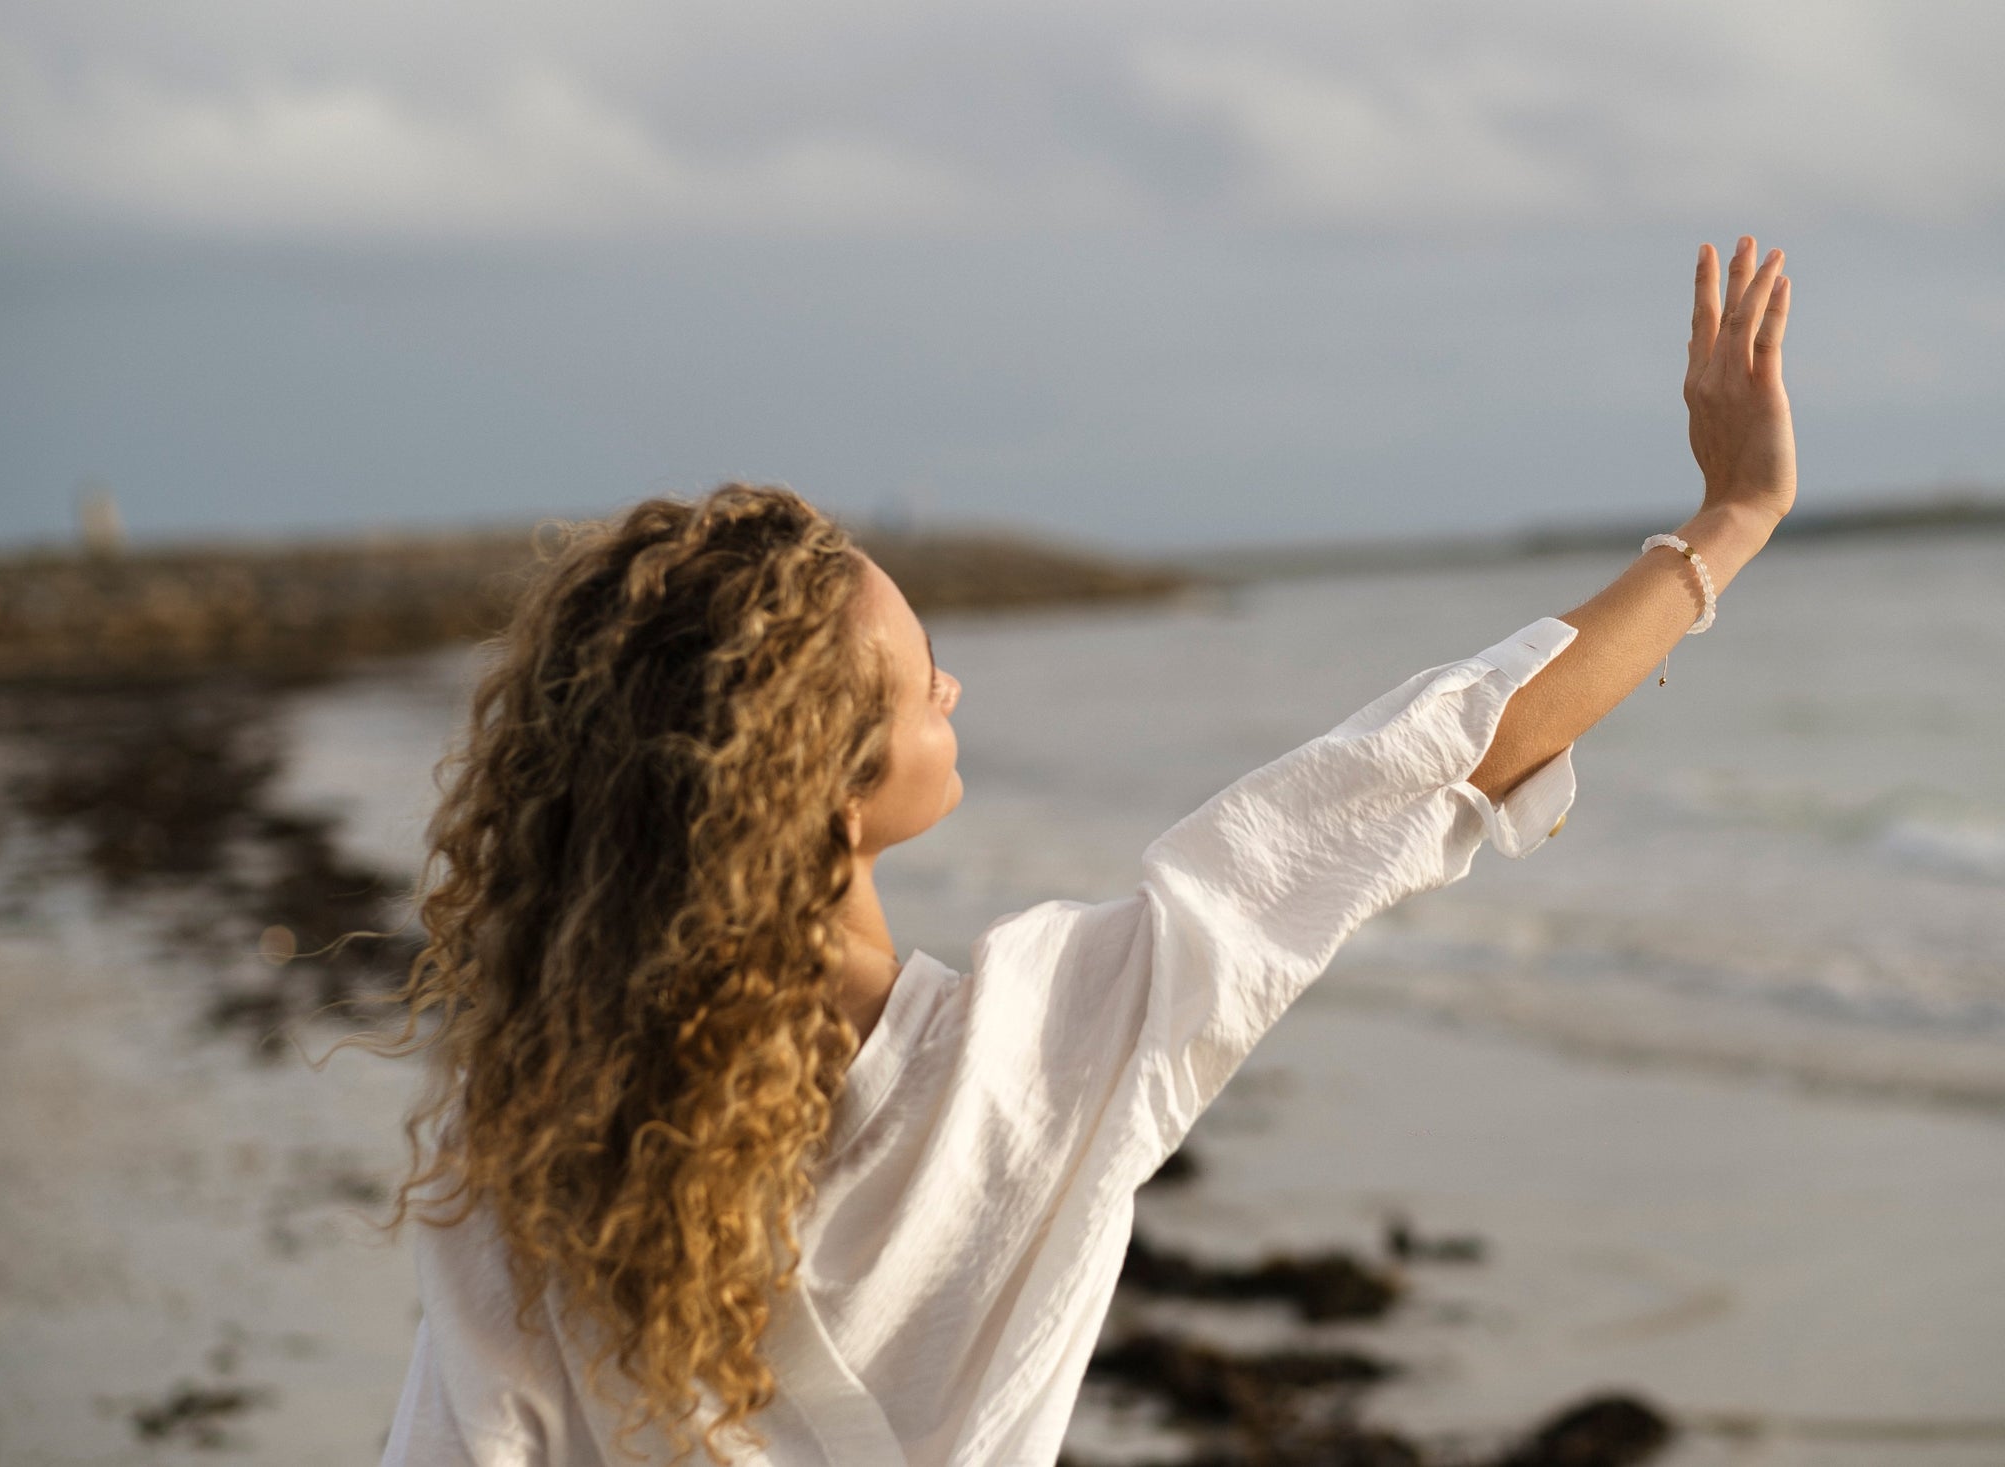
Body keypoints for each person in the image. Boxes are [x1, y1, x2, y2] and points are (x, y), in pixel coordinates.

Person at [370, 237, 1795, 1466]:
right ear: (825, 783)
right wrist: (1733, 520)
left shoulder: (536, 1178)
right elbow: (1430, 764)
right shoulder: (1049, 1049)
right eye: (925, 674)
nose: (953, 691)